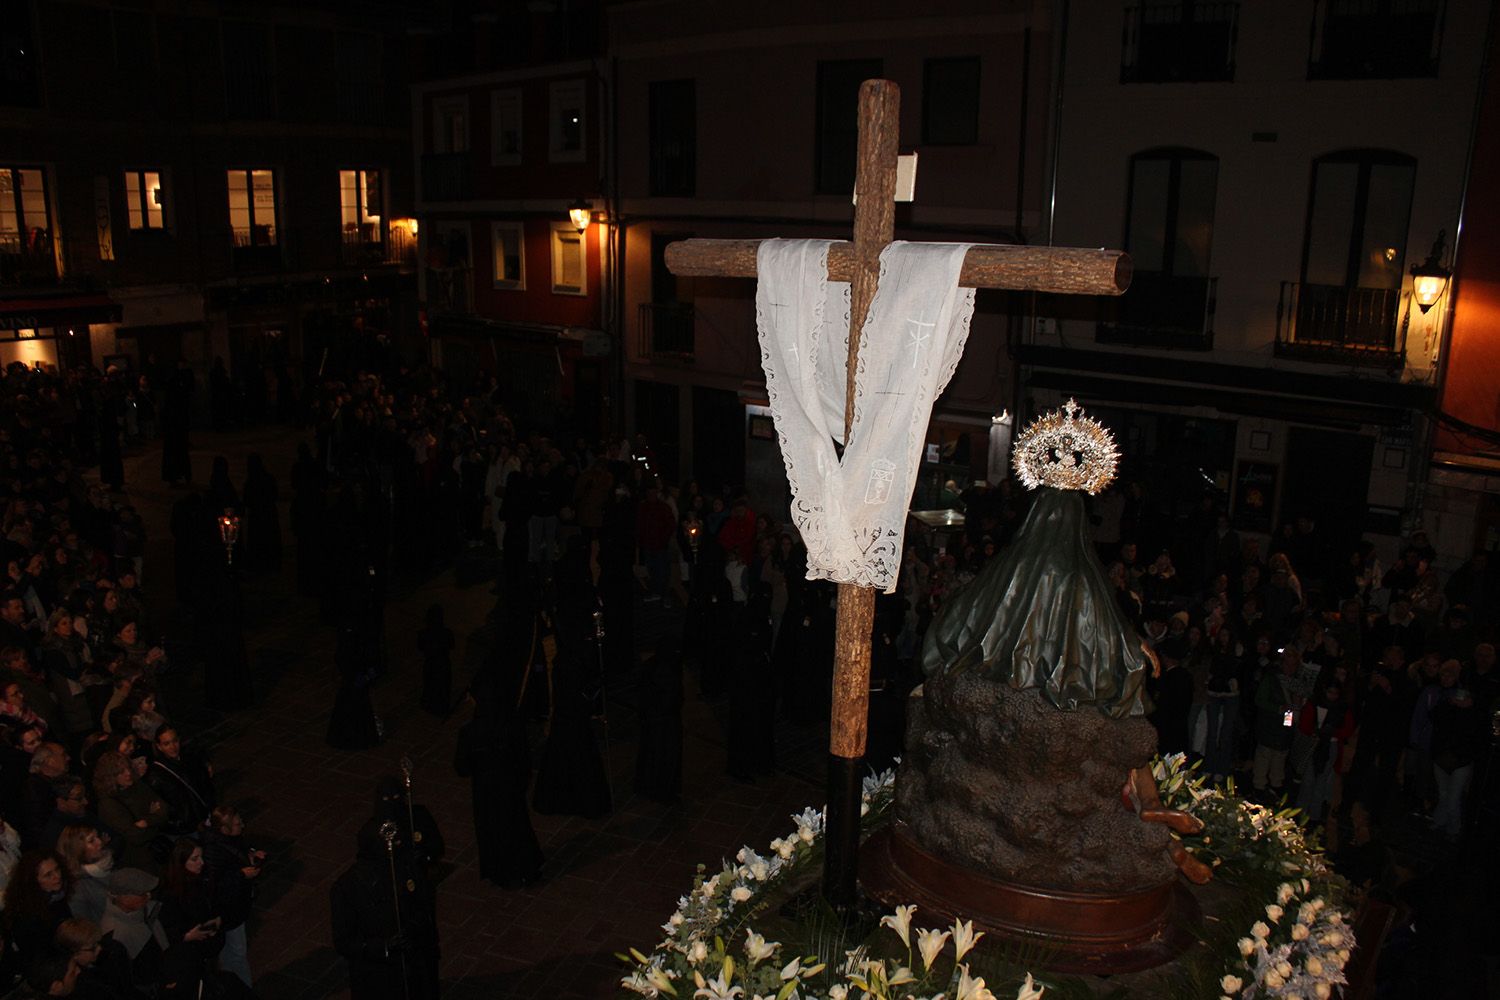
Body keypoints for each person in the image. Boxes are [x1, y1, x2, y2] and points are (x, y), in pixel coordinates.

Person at [329, 819, 438, 1000]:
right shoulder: (347, 887)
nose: (397, 850)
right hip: (377, 976)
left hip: (412, 966)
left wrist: (413, 929)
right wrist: (383, 947)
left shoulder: (405, 868)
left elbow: (423, 905)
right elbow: (344, 941)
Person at [453, 672, 543, 887]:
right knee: (516, 827)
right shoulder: (511, 725)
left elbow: (462, 768)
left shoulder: (470, 732)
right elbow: (524, 759)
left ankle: (502, 873)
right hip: (510, 786)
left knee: (493, 830)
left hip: (486, 790)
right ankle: (526, 869)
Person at [199, 806, 259, 988]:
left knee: (230, 952)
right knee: (237, 952)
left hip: (235, 906)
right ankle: (242, 989)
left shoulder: (227, 840)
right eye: (237, 824)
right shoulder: (213, 850)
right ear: (224, 829)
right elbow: (215, 883)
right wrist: (241, 875)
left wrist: (252, 854)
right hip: (228, 909)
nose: (242, 825)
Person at [90, 752, 166, 871]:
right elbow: (136, 836)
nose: (128, 773)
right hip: (138, 862)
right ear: (110, 777)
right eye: (120, 772)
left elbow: (163, 809)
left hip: (156, 852)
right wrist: (152, 816)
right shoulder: (108, 804)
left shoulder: (137, 786)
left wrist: (146, 821)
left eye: (128, 768)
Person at [98, 868, 169, 991]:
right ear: (124, 897)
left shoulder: (141, 912)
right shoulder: (114, 936)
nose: (149, 896)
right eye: (142, 893)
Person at [3, 851, 73, 966]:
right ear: (33, 881)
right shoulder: (26, 915)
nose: (57, 876)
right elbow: (37, 956)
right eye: (48, 875)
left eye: (57, 869)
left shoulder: (56, 897)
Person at [1252, 649, 1302, 800]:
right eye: (1287, 664)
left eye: (1293, 665)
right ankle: (1259, 786)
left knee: (1280, 755)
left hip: (1286, 724)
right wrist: (1277, 708)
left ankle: (1276, 785)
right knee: (1265, 754)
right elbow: (1260, 699)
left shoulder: (1297, 682)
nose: (1290, 668)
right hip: (1269, 723)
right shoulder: (1272, 678)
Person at [144, 728, 214, 835]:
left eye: (175, 741)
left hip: (206, 814)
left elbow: (205, 785)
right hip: (188, 826)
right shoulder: (157, 774)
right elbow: (168, 806)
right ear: (159, 747)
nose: (173, 747)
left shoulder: (189, 758)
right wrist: (190, 823)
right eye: (167, 744)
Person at [55, 826, 111, 924]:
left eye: (97, 837)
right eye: (91, 841)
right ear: (77, 848)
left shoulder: (108, 864)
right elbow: (85, 926)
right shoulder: (77, 887)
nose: (99, 842)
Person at [415, 605, 453, 717]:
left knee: (430, 683)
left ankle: (431, 705)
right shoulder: (447, 632)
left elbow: (420, 648)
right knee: (443, 684)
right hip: (444, 662)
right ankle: (442, 706)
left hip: (431, 663)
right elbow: (452, 645)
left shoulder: (423, 634)